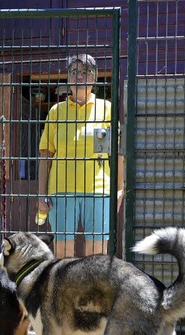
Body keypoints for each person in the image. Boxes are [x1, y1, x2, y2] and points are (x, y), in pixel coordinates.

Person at [36, 54, 124, 258]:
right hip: (61, 191)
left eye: (85, 72)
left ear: (94, 78)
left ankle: (92, 292)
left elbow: (116, 152)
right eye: (74, 72)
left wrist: (120, 188)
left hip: (98, 190)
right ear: (68, 78)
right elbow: (45, 154)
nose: (79, 77)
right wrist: (41, 193)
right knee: (63, 253)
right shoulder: (57, 111)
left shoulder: (107, 109)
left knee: (97, 254)